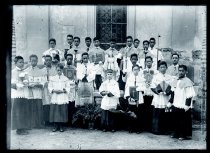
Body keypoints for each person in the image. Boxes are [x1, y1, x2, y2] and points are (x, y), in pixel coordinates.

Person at [167, 65, 196, 140]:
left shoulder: (188, 81)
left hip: (183, 104)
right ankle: (175, 132)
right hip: (176, 103)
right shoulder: (176, 80)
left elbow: (189, 95)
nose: (181, 72)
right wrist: (170, 101)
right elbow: (173, 92)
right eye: (179, 70)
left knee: (183, 120)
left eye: (182, 71)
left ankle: (183, 134)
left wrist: (187, 105)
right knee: (175, 119)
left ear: (186, 72)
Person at [150, 61, 173, 135]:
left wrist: (168, 92)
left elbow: (172, 86)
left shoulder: (169, 77)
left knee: (166, 112)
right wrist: (158, 91)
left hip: (166, 97)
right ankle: (156, 129)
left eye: (164, 67)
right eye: (161, 67)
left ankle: (166, 130)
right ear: (159, 68)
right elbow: (152, 86)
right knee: (158, 112)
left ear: (166, 68)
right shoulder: (156, 77)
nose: (163, 69)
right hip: (158, 97)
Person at [11, 56, 31, 135]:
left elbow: (27, 80)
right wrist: (17, 85)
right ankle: (18, 129)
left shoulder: (25, 72)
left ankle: (23, 127)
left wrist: (26, 82)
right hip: (17, 94)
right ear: (15, 63)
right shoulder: (13, 72)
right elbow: (11, 84)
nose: (22, 63)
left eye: (22, 62)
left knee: (24, 111)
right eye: (20, 62)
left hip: (24, 93)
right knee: (18, 112)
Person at [48, 63, 70, 132]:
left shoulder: (65, 79)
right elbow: (50, 87)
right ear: (56, 70)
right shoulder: (52, 78)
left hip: (62, 96)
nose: (59, 72)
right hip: (55, 96)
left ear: (62, 70)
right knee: (55, 111)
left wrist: (64, 90)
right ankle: (55, 125)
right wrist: (54, 90)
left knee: (62, 111)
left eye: (60, 70)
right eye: (57, 70)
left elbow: (68, 87)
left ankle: (61, 125)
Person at [25, 55, 44, 128]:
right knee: (30, 108)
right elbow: (24, 82)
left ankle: (38, 124)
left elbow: (43, 83)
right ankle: (31, 124)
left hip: (38, 93)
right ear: (30, 61)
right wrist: (27, 85)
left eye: (35, 60)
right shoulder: (26, 71)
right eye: (32, 60)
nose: (33, 62)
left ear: (37, 61)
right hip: (29, 93)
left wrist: (36, 85)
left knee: (38, 108)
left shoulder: (40, 71)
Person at [124, 64, 145, 133]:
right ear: (132, 70)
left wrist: (138, 88)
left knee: (139, 113)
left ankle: (138, 128)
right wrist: (128, 97)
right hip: (131, 97)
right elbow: (127, 88)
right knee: (131, 112)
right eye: (134, 69)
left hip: (139, 97)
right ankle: (131, 128)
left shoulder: (142, 78)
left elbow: (144, 88)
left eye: (137, 69)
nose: (136, 71)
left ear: (139, 70)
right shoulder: (129, 79)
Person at [140, 56, 158, 132]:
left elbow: (156, 81)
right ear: (145, 63)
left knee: (151, 110)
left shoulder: (155, 72)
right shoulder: (142, 71)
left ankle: (151, 127)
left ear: (152, 62)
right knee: (144, 109)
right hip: (145, 92)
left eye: (150, 61)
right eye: (147, 61)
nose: (148, 63)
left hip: (152, 92)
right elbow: (140, 80)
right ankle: (145, 126)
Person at [41, 55, 57, 125]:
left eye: (49, 60)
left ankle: (53, 120)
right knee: (46, 104)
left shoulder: (55, 69)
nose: (48, 61)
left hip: (52, 89)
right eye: (46, 60)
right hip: (45, 89)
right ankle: (47, 121)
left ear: (51, 61)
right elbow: (41, 80)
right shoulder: (42, 70)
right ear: (44, 61)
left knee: (53, 103)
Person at [63, 53, 77, 126]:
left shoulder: (74, 68)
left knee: (72, 104)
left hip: (72, 87)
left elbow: (76, 78)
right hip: (65, 87)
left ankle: (71, 121)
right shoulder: (63, 68)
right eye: (68, 59)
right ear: (66, 59)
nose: (69, 60)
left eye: (70, 59)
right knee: (66, 104)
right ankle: (65, 121)